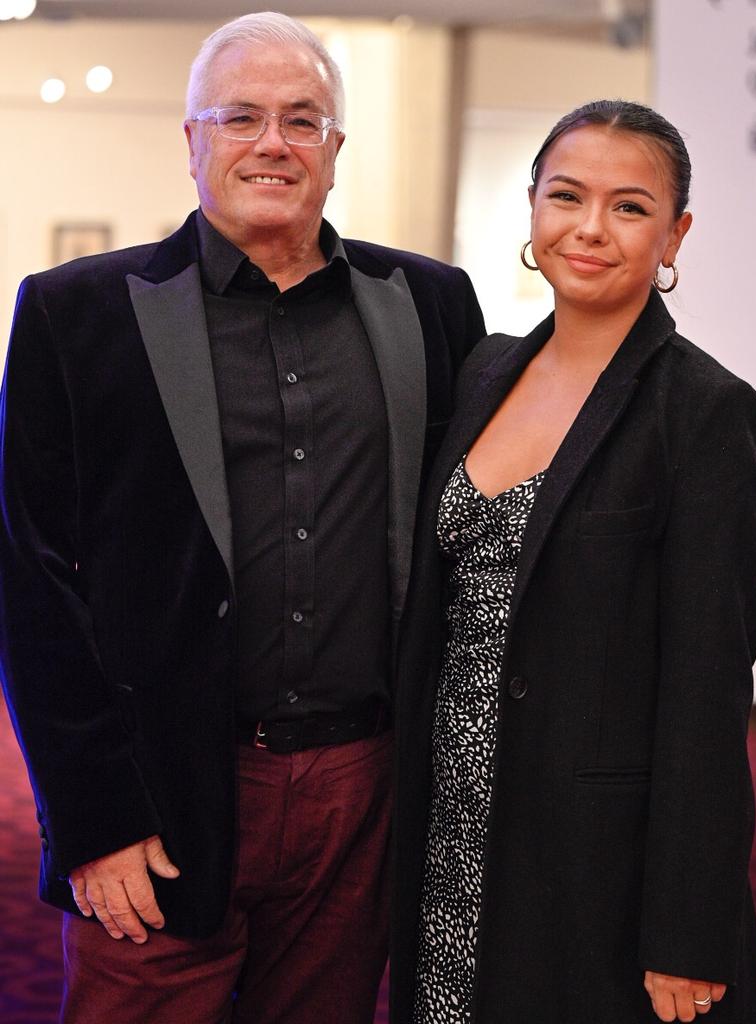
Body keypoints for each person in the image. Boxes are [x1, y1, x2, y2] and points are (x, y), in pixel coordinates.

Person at [0, 11, 485, 1024]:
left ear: (336, 150)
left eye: (303, 120)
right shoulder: (72, 312)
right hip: (161, 783)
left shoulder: (431, 306)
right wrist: (91, 818)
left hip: (361, 792)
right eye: (241, 117)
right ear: (191, 142)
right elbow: (29, 580)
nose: (273, 142)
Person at [390, 99, 756, 1024]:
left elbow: (707, 691)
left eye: (630, 207)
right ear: (532, 211)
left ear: (675, 234)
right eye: (566, 196)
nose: (590, 228)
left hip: (596, 858)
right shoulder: (483, 372)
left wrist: (687, 927)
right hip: (450, 824)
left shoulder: (708, 414)